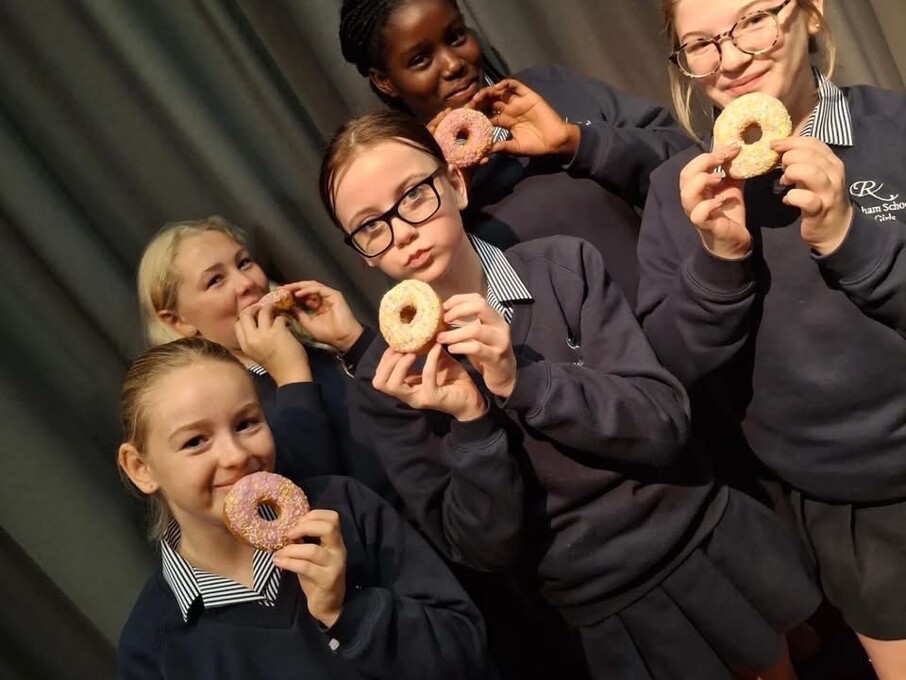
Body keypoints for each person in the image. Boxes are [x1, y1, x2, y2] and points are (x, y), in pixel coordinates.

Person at [303, 109, 821, 679]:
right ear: (363, 254)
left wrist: (521, 382)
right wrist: (473, 423)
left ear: (454, 183)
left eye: (413, 195)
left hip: (704, 537)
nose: (402, 231)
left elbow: (663, 422)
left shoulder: (562, 267)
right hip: (608, 608)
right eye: (371, 226)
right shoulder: (391, 387)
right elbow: (484, 550)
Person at [637, 0, 906, 676]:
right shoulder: (678, 193)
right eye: (700, 44)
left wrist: (849, 236)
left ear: (810, 13)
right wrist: (718, 262)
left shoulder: (894, 129)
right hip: (851, 510)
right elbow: (671, 368)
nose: (730, 59)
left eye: (753, 18)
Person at [114, 336, 493, 679]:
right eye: (195, 441)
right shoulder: (154, 648)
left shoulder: (345, 509)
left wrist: (348, 611)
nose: (236, 455)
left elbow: (466, 648)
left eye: (246, 423)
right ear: (140, 468)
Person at [337, 0, 694, 306]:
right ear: (384, 80)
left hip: (687, 318)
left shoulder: (550, 91)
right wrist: (443, 196)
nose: (452, 64)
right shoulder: (409, 187)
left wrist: (577, 142)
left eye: (455, 37)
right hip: (587, 365)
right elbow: (429, 310)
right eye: (420, 59)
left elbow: (688, 161)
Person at [136, 217, 396, 503]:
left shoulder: (318, 346)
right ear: (178, 321)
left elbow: (412, 414)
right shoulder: (219, 409)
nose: (246, 283)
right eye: (215, 281)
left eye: (244, 263)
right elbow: (310, 499)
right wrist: (292, 377)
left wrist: (355, 342)